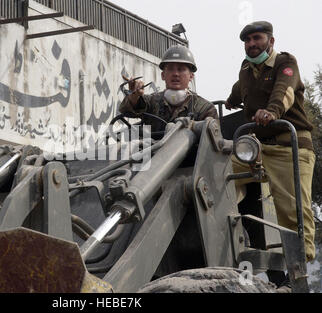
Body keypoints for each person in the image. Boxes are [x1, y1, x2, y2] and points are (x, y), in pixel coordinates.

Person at [225, 21, 316, 262]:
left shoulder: (285, 63)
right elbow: (241, 88)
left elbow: (284, 91)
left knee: (292, 211)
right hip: (259, 148)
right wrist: (231, 99)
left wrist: (272, 112)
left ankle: (299, 269)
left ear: (271, 41)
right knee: (218, 171)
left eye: (257, 38)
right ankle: (229, 232)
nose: (251, 44)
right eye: (247, 41)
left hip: (289, 147)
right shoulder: (246, 69)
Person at [119, 45, 217, 135]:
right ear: (163, 75)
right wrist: (134, 96)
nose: (175, 74)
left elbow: (211, 143)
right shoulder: (152, 102)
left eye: (181, 69)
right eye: (170, 69)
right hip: (153, 153)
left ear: (191, 76)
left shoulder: (205, 108)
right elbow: (126, 111)